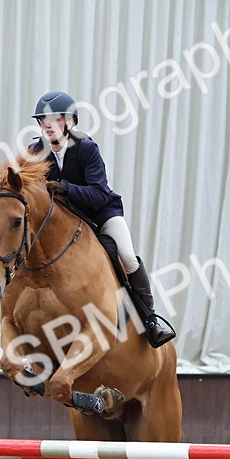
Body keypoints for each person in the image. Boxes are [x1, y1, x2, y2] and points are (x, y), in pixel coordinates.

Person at [27, 91, 176, 348]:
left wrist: (66, 188)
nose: (47, 125)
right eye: (42, 120)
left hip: (101, 215)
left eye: (54, 119)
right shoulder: (35, 152)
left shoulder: (86, 148)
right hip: (64, 223)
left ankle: (150, 320)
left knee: (127, 257)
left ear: (70, 122)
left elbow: (99, 192)